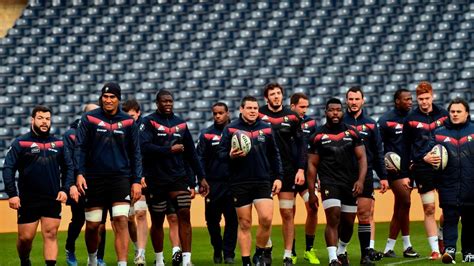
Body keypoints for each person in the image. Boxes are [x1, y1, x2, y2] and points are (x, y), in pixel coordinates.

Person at [75, 82, 142, 266]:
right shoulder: (89, 118)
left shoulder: (129, 121)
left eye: (112, 97)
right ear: (101, 98)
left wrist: (136, 180)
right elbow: (80, 148)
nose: (108, 100)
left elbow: (136, 152)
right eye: (105, 97)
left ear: (118, 99)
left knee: (121, 220)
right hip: (94, 179)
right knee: (93, 226)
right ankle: (92, 260)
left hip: (120, 179)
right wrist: (79, 173)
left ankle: (122, 263)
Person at [140, 89, 209, 266]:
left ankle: (186, 260)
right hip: (155, 179)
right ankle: (159, 259)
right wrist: (168, 150)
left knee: (184, 214)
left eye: (170, 101)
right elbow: (144, 147)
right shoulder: (148, 122)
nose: (168, 104)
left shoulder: (181, 124)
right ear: (157, 103)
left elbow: (191, 154)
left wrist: (201, 177)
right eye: (164, 101)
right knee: (157, 220)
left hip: (178, 178)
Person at [3, 105, 74, 266]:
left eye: (47, 119)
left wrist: (65, 189)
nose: (44, 122)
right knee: (25, 238)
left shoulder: (59, 143)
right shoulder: (20, 143)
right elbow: (8, 168)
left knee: (51, 234)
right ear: (32, 120)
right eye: (40, 118)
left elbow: (69, 167)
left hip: (52, 197)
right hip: (28, 199)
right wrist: (12, 193)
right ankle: (24, 260)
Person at [218, 95, 283, 266]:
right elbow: (220, 154)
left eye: (255, 108)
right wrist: (230, 155)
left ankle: (259, 253)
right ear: (241, 109)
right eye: (249, 108)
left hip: (263, 181)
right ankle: (246, 261)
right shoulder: (231, 129)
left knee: (267, 219)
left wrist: (278, 177)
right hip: (240, 182)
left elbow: (274, 154)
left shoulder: (267, 128)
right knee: (245, 223)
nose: (253, 111)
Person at [307, 98, 367, 266]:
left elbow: (362, 158)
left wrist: (361, 180)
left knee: (348, 224)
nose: (335, 113)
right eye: (331, 110)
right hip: (329, 182)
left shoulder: (352, 133)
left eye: (338, 110)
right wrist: (312, 193)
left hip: (350, 183)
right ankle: (333, 258)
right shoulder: (317, 136)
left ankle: (341, 250)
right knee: (333, 217)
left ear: (342, 111)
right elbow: (311, 166)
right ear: (326, 112)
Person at [259, 83, 306, 266]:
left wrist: (300, 169)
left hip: (287, 171)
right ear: (266, 97)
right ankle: (266, 248)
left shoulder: (292, 117)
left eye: (279, 93)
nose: (276, 96)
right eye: (273, 94)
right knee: (266, 216)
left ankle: (288, 254)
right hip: (265, 172)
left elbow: (302, 145)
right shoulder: (260, 114)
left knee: (287, 213)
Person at [400, 81, 448, 260]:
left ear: (432, 96)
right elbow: (405, 148)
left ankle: (442, 233)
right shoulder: (410, 119)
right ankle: (435, 249)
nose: (424, 102)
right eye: (420, 99)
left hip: (445, 168)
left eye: (427, 98)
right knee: (429, 208)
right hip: (422, 168)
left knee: (449, 209)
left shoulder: (444, 114)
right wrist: (405, 174)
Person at [343, 87, 389, 265]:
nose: (354, 102)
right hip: (344, 175)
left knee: (364, 214)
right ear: (346, 101)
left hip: (366, 174)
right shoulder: (340, 123)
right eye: (351, 99)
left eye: (357, 99)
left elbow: (378, 151)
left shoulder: (371, 123)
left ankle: (365, 255)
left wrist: (383, 176)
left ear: (363, 101)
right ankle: (342, 252)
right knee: (344, 216)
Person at [428, 98, 474, 264]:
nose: (454, 114)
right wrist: (426, 157)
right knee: (450, 218)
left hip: (471, 185)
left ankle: (469, 251)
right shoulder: (439, 133)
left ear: (466, 113)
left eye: (458, 111)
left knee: (470, 220)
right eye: (452, 111)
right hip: (448, 184)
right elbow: (428, 152)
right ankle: (450, 250)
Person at [378, 89, 419, 258]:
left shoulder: (415, 118)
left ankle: (388, 247)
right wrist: (384, 168)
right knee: (406, 202)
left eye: (411, 99)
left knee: (400, 208)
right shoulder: (385, 120)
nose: (410, 101)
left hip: (411, 169)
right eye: (406, 99)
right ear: (397, 101)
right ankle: (407, 245)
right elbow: (377, 147)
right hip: (394, 170)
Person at [197, 102, 238, 264]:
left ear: (227, 113)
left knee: (232, 220)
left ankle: (229, 254)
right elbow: (200, 158)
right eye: (215, 113)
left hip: (233, 184)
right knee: (212, 221)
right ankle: (217, 247)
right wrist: (201, 179)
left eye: (221, 113)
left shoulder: (237, 133)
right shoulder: (206, 134)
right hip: (212, 185)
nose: (218, 116)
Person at [64, 103, 100, 266]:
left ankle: (98, 258)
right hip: (78, 184)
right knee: (78, 220)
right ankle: (69, 250)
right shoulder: (71, 134)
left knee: (99, 222)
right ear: (85, 116)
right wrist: (71, 184)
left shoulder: (102, 132)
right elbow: (69, 162)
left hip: (99, 184)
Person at [289, 93, 320, 265]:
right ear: (292, 106)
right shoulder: (284, 122)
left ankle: (309, 250)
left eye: (306, 106)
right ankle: (291, 251)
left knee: (313, 207)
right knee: (289, 214)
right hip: (288, 175)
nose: (304, 110)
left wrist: (319, 175)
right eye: (301, 106)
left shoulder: (311, 123)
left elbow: (317, 151)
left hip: (307, 175)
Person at [122, 99, 148, 265]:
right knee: (129, 218)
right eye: (127, 116)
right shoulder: (120, 128)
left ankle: (141, 253)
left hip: (142, 178)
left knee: (141, 213)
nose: (130, 119)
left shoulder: (144, 130)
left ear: (138, 113)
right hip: (124, 177)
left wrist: (142, 175)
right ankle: (136, 246)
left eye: (133, 115)